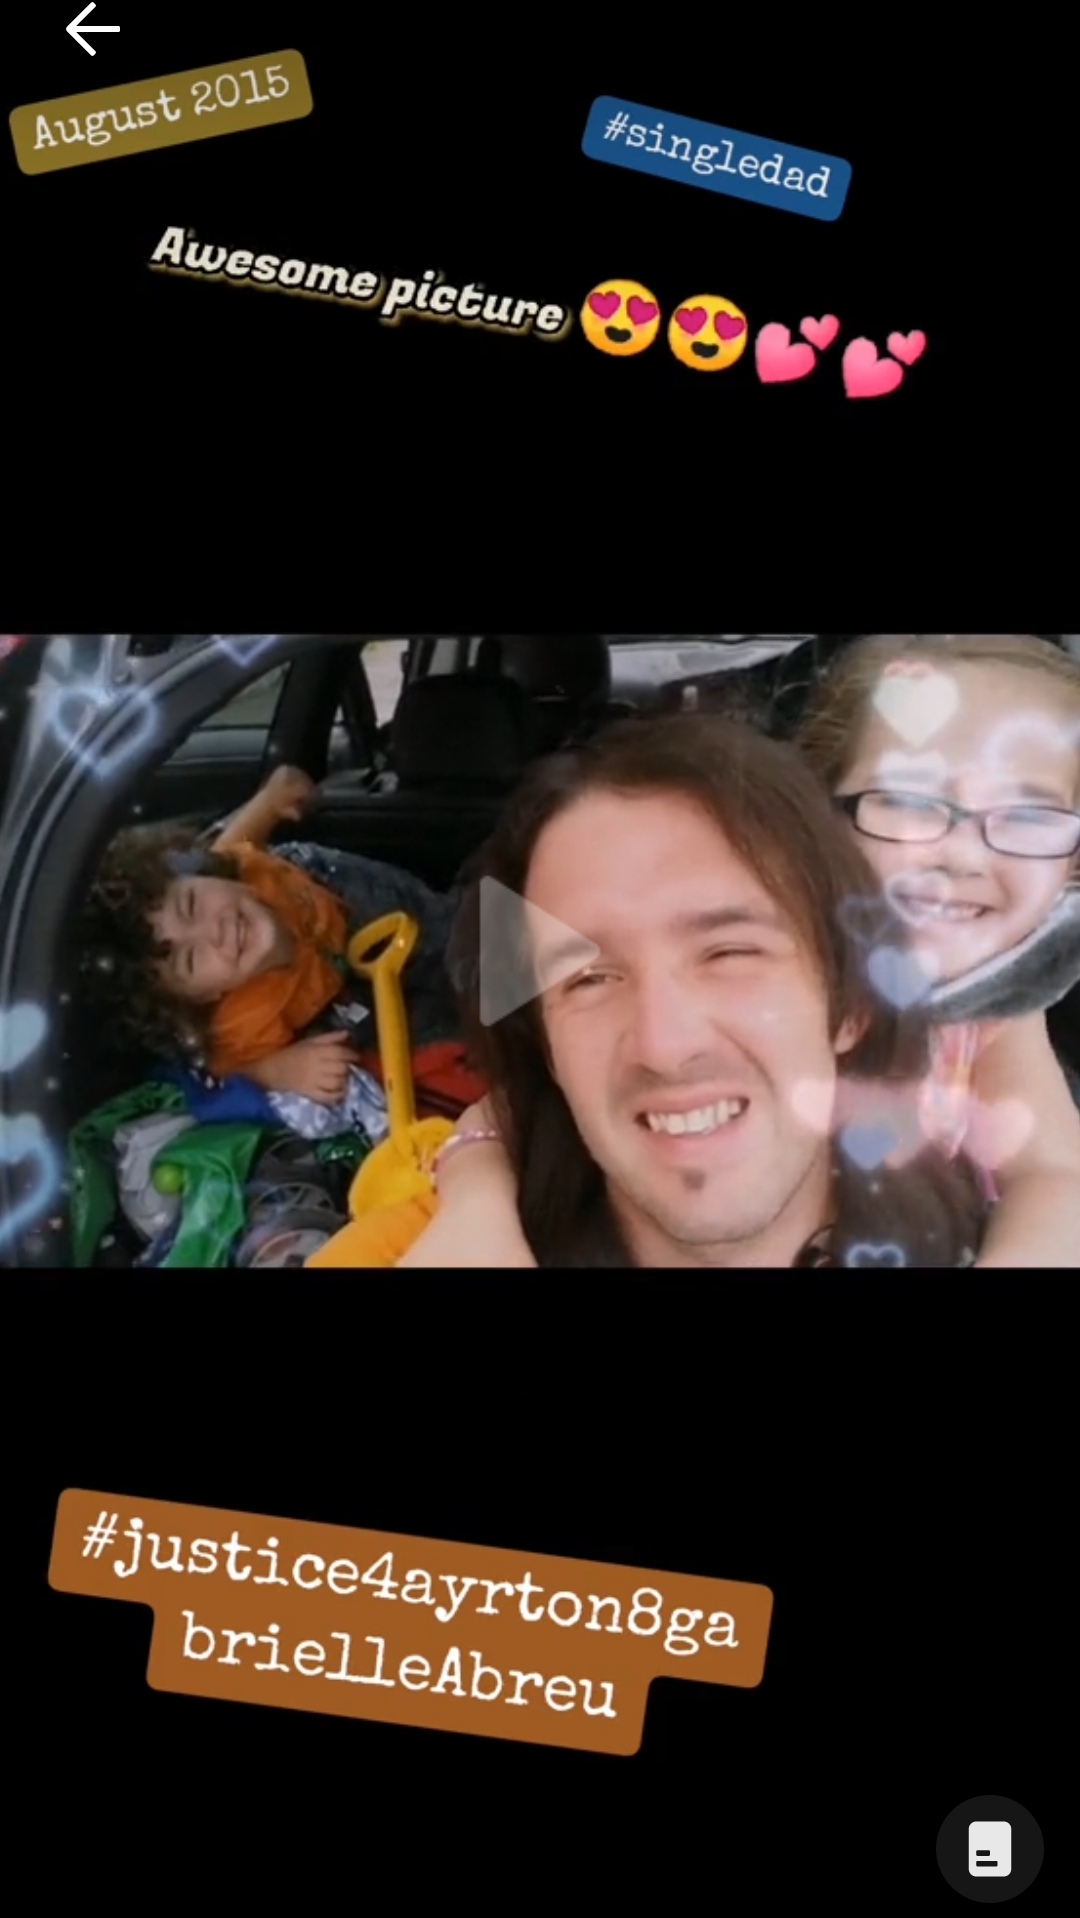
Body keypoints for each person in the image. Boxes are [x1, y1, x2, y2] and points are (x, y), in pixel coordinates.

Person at [392, 637, 1080, 1270]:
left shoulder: (994, 1006)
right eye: (905, 802)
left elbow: (1056, 1177)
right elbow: (521, 1099)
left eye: (1029, 815)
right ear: (811, 818)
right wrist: (476, 1203)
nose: (961, 854)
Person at [308, 714, 989, 1269]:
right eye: (589, 978)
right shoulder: (406, 1253)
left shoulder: (997, 1226)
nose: (665, 1045)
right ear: (548, 1046)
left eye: (728, 952)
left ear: (850, 1005)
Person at [76, 764, 463, 1102]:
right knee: (425, 1028)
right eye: (192, 960)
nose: (215, 931)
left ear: (203, 874)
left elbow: (227, 845)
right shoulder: (238, 1030)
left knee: (450, 929)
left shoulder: (231, 866)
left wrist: (271, 799)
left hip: (328, 891)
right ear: (205, 997)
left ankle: (488, 945)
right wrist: (276, 1071)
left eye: (191, 904)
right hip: (344, 991)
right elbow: (216, 1077)